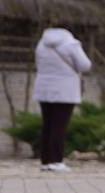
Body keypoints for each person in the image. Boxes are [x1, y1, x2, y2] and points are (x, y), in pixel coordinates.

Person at [32, 23, 92, 172]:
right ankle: (57, 160)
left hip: (44, 88)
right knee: (60, 126)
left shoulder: (41, 43)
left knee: (47, 125)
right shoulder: (71, 44)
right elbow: (85, 65)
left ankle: (45, 161)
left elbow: (38, 64)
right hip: (65, 90)